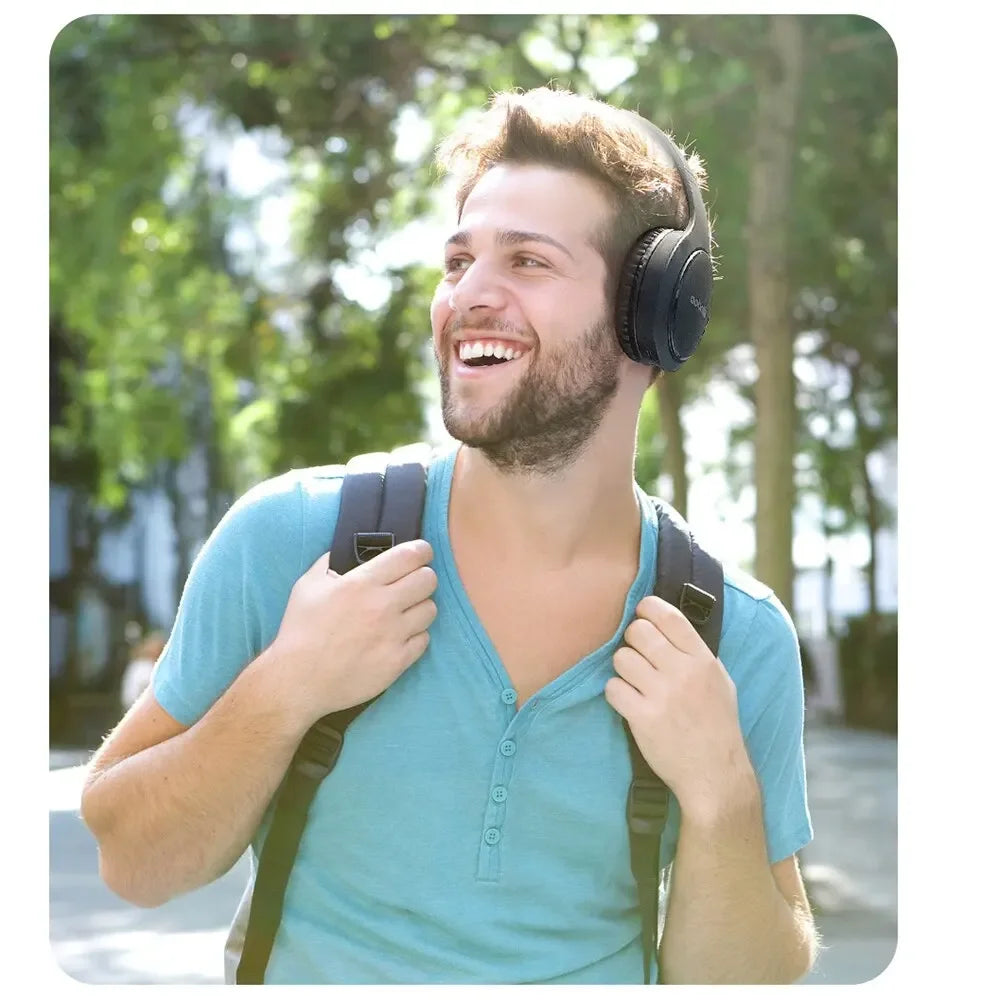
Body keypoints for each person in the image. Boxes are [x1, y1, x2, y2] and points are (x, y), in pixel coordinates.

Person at [80, 87, 817, 985]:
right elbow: (133, 863)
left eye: (528, 262)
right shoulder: (295, 541)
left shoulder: (736, 637)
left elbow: (746, 981)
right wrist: (286, 686)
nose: (470, 294)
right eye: (458, 261)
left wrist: (723, 795)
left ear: (654, 313)